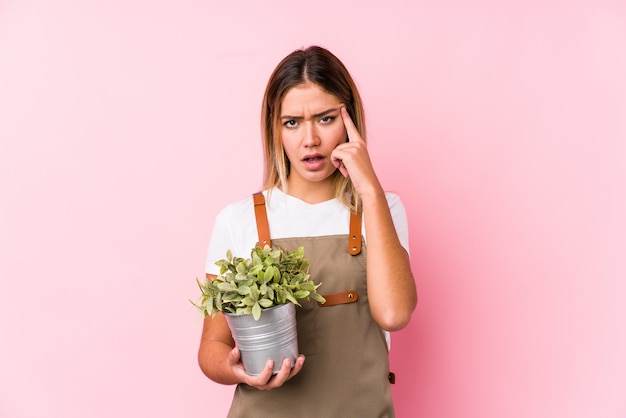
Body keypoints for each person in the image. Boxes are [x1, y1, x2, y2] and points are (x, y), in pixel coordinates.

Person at [198, 45, 417, 417]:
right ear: (275, 128)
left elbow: (394, 314)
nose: (310, 139)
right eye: (292, 122)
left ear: (351, 123)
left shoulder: (383, 208)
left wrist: (371, 192)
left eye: (326, 119)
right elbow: (211, 347)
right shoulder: (237, 220)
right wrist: (238, 370)